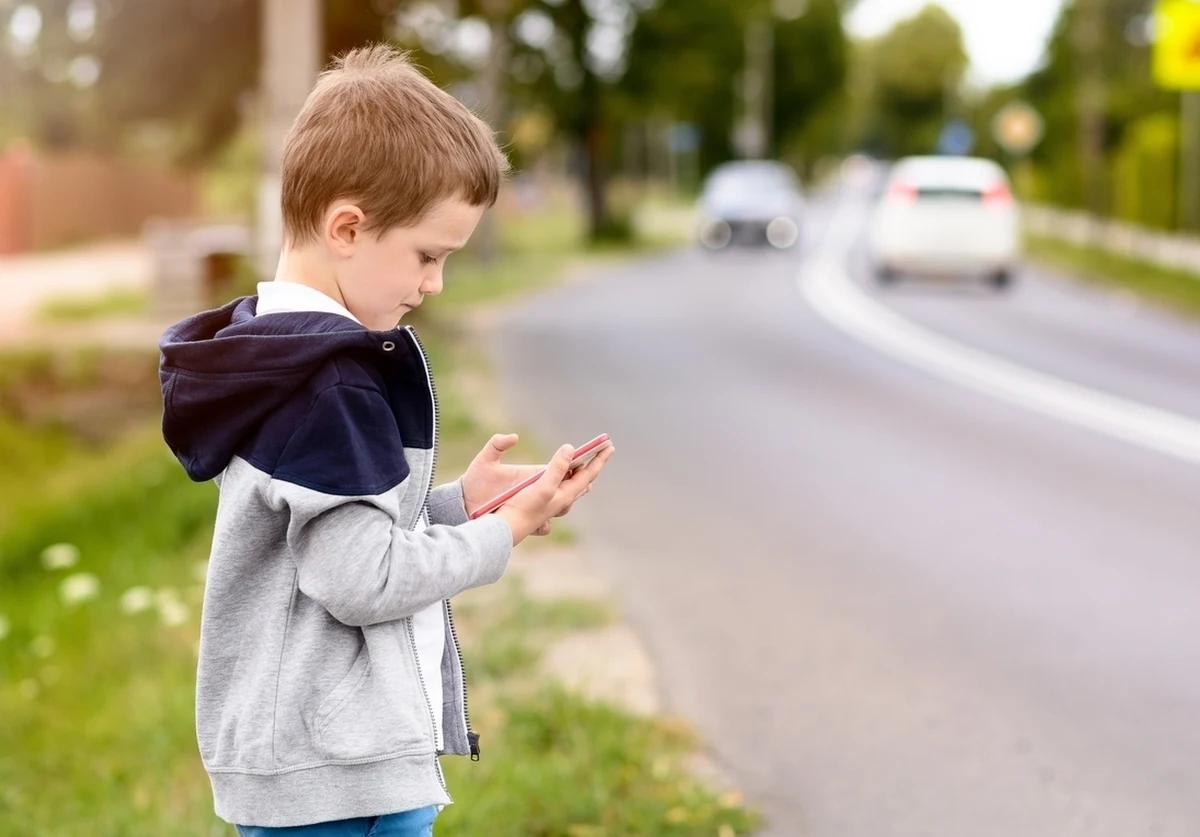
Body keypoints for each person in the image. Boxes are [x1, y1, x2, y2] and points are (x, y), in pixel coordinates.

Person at [157, 44, 613, 837]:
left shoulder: (273, 353)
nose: (433, 283)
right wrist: (504, 530)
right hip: (342, 781)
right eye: (428, 255)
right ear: (347, 226)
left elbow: (335, 538)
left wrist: (460, 504)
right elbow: (362, 579)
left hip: (309, 768)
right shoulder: (330, 383)